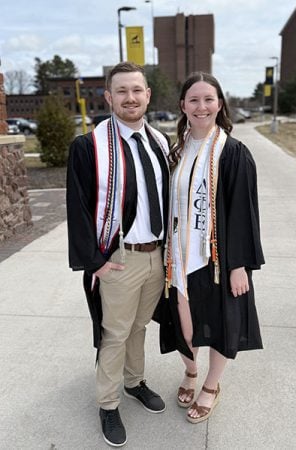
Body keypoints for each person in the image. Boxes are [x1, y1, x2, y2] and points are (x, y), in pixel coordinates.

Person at [66, 62, 170, 447]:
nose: (130, 98)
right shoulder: (89, 147)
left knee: (139, 327)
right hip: (118, 259)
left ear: (147, 95)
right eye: (121, 91)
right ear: (109, 97)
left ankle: (134, 382)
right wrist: (96, 262)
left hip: (155, 256)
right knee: (115, 333)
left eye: (137, 90)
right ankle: (108, 404)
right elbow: (76, 210)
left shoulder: (159, 142)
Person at [160, 72, 264, 424]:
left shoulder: (233, 153)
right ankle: (190, 371)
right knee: (185, 328)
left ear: (219, 104)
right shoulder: (175, 151)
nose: (201, 106)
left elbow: (243, 212)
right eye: (194, 100)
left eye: (208, 99)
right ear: (183, 106)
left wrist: (239, 265)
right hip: (179, 257)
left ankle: (210, 386)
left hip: (217, 259)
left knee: (220, 324)